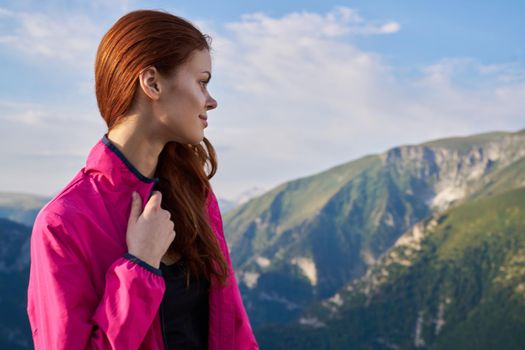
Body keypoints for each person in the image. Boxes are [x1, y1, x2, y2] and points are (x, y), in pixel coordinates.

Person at [26, 9, 259, 350]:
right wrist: (140, 266)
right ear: (152, 82)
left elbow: (234, 331)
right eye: (202, 81)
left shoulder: (196, 195)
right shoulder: (63, 225)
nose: (211, 100)